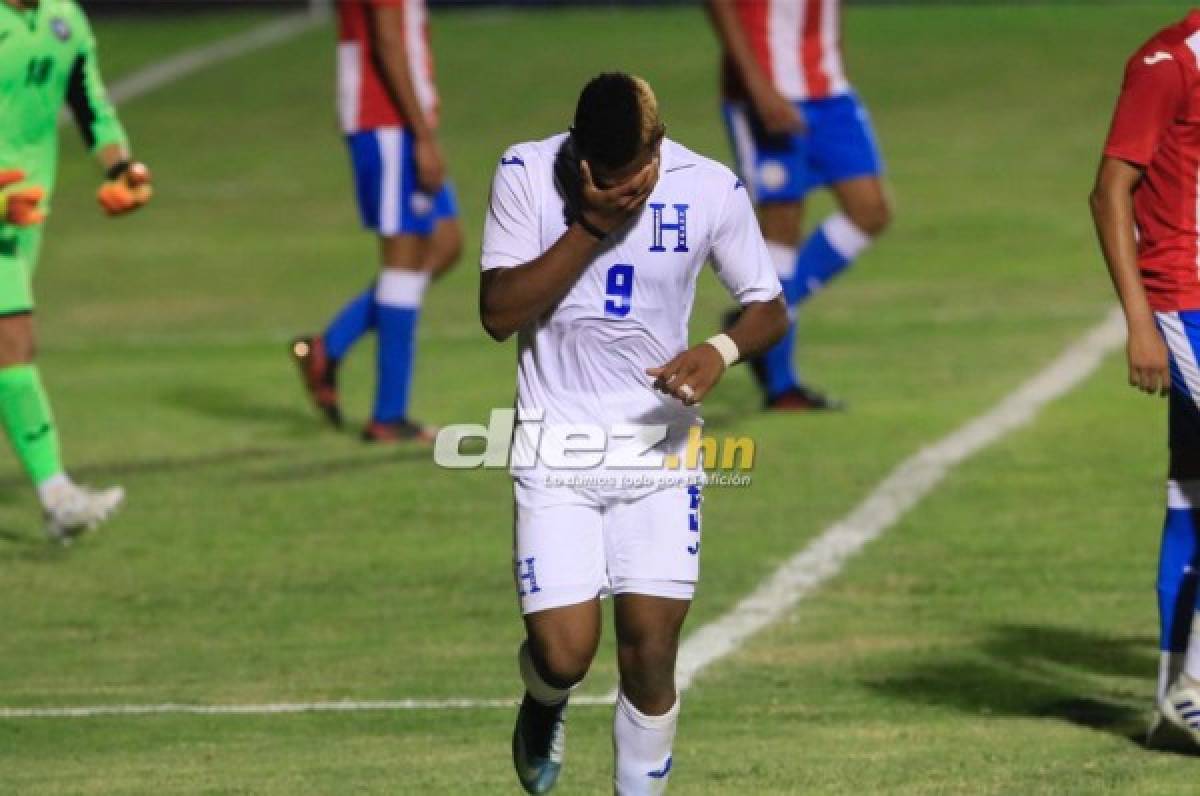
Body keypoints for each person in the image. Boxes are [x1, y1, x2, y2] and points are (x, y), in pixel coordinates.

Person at [480, 73, 787, 794]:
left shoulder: (709, 187)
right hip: (556, 448)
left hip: (660, 452)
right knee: (563, 655)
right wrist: (589, 226)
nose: (625, 189)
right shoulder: (526, 172)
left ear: (658, 144)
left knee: (650, 657)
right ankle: (544, 701)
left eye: (635, 175)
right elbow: (498, 312)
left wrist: (720, 351)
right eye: (605, 177)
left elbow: (769, 308)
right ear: (579, 154)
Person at [0, 0, 153, 541]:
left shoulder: (65, 18)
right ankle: (57, 496)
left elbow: (91, 103)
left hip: (23, 217)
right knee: (12, 342)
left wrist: (121, 168)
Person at [1092, 8, 1200, 748]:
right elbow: (1109, 193)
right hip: (1185, 301)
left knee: (1190, 491)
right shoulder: (1167, 63)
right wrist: (1138, 323)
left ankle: (1172, 696)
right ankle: (1194, 687)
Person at [291, 0, 462, 443]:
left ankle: (329, 346)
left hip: (395, 120)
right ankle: (388, 414)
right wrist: (422, 136)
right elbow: (387, 41)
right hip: (386, 121)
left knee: (445, 244)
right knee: (402, 265)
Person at [707, 0, 891, 410]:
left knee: (870, 211)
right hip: (764, 91)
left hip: (828, 90)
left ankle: (755, 320)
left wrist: (833, 52)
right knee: (781, 231)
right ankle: (782, 387)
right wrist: (757, 86)